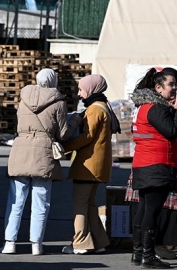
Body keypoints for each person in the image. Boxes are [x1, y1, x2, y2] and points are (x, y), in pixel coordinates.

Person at [2, 68, 70, 256]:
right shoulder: (58, 103)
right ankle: (36, 244)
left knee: (16, 200)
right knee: (41, 201)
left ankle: (9, 243)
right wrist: (74, 123)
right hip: (43, 152)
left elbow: (19, 125)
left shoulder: (23, 100)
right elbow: (63, 133)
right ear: (53, 81)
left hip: (21, 149)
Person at [124, 67, 177, 263]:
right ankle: (148, 256)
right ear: (158, 87)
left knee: (144, 209)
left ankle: (138, 253)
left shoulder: (144, 106)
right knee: (151, 211)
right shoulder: (155, 108)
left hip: (145, 164)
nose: (175, 88)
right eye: (171, 84)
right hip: (156, 165)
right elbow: (172, 131)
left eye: (176, 84)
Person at [61, 74, 118, 255]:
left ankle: (80, 244)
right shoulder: (104, 106)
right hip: (97, 165)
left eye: (81, 89)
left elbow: (86, 136)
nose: (79, 93)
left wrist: (65, 147)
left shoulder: (94, 109)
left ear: (92, 88)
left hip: (88, 165)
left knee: (80, 205)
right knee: (89, 204)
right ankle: (99, 241)